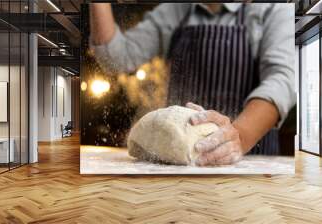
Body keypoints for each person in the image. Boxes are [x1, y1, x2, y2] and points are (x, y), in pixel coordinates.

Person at [90, 3, 296, 166]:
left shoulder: (272, 11)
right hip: (178, 164)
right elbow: (115, 60)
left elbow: (280, 81)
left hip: (252, 163)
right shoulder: (176, 10)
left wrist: (239, 137)